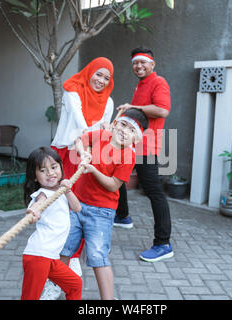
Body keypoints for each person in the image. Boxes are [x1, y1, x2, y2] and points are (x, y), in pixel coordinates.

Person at [60, 108, 149, 300]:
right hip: (77, 205)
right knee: (64, 248)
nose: (125, 131)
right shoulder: (103, 135)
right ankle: (57, 287)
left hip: (101, 212)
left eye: (132, 130)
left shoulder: (128, 156)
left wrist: (92, 170)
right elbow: (79, 140)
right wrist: (84, 153)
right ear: (116, 124)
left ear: (136, 139)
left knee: (98, 256)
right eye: (123, 124)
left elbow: (112, 185)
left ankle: (108, 300)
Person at [47, 57, 114, 299]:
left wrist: (93, 144)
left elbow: (103, 130)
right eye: (98, 74)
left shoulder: (109, 101)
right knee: (60, 205)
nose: (101, 81)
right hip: (67, 150)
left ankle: (71, 260)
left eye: (106, 78)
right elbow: (81, 123)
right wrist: (89, 137)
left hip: (87, 154)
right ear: (90, 72)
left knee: (80, 207)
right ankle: (59, 263)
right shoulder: (72, 90)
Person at [114, 47, 174, 263]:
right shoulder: (141, 85)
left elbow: (162, 110)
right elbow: (140, 113)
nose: (138, 66)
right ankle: (122, 216)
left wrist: (133, 106)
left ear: (152, 64)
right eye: (135, 63)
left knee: (154, 192)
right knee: (116, 175)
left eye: (143, 62)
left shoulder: (159, 82)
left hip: (147, 148)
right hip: (133, 144)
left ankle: (163, 244)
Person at [20, 147, 83, 300]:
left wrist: (67, 190)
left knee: (75, 284)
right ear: (35, 177)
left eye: (54, 167)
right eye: (43, 170)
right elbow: (39, 204)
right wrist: (34, 211)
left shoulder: (60, 192)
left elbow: (77, 208)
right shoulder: (43, 194)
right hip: (38, 256)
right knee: (30, 297)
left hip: (51, 257)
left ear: (60, 167)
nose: (50, 173)